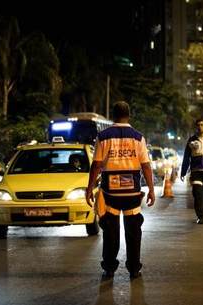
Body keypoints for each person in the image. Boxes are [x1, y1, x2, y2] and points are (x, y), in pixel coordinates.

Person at [86, 101, 155, 280]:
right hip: (132, 193)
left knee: (110, 232)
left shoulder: (103, 136)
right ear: (129, 115)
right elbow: (146, 166)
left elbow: (96, 165)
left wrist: (89, 188)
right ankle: (133, 268)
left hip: (111, 194)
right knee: (133, 232)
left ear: (113, 115)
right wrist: (152, 190)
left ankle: (109, 268)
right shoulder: (138, 137)